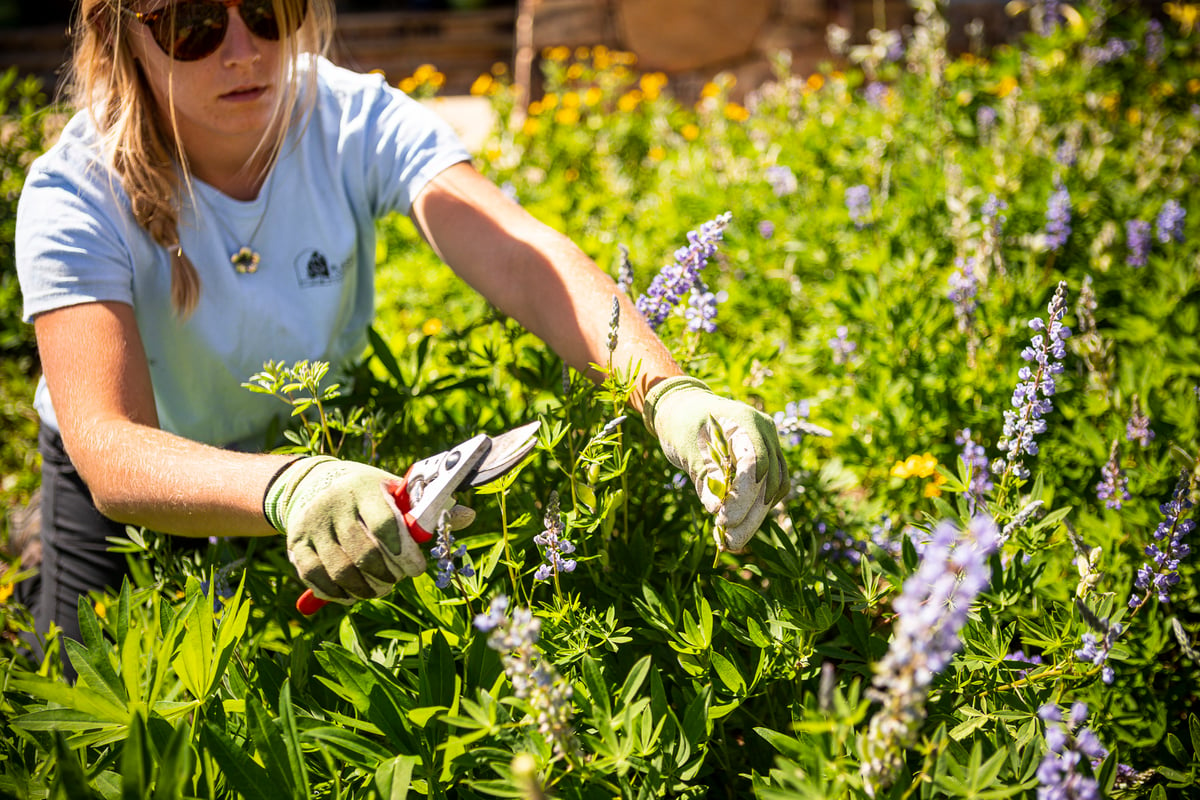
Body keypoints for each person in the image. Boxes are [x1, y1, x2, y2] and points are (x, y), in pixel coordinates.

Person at [15, 0, 789, 671]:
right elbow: (111, 448)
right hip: (149, 489)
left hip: (312, 441)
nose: (245, 50)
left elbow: (524, 260)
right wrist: (287, 484)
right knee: (91, 717)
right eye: (194, 25)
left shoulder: (352, 119)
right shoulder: (74, 191)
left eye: (269, 12)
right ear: (121, 35)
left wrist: (668, 392)